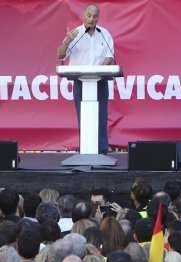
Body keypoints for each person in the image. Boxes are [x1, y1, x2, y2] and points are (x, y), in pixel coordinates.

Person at [57, 4, 115, 154]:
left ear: (98, 16)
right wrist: (66, 42)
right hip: (80, 81)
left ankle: (101, 151)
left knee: (101, 117)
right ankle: (86, 150)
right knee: (83, 116)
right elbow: (60, 55)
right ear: (83, 15)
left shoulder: (104, 34)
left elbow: (109, 56)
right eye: (89, 15)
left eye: (95, 16)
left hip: (100, 82)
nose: (91, 19)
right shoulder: (75, 34)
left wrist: (98, 71)